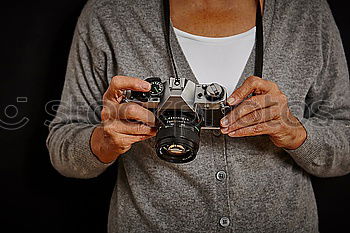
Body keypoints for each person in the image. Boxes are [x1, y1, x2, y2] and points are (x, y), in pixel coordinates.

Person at [46, 0, 350, 232]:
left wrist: (296, 134)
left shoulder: (307, 12)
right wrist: (103, 141)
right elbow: (63, 150)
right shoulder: (110, 14)